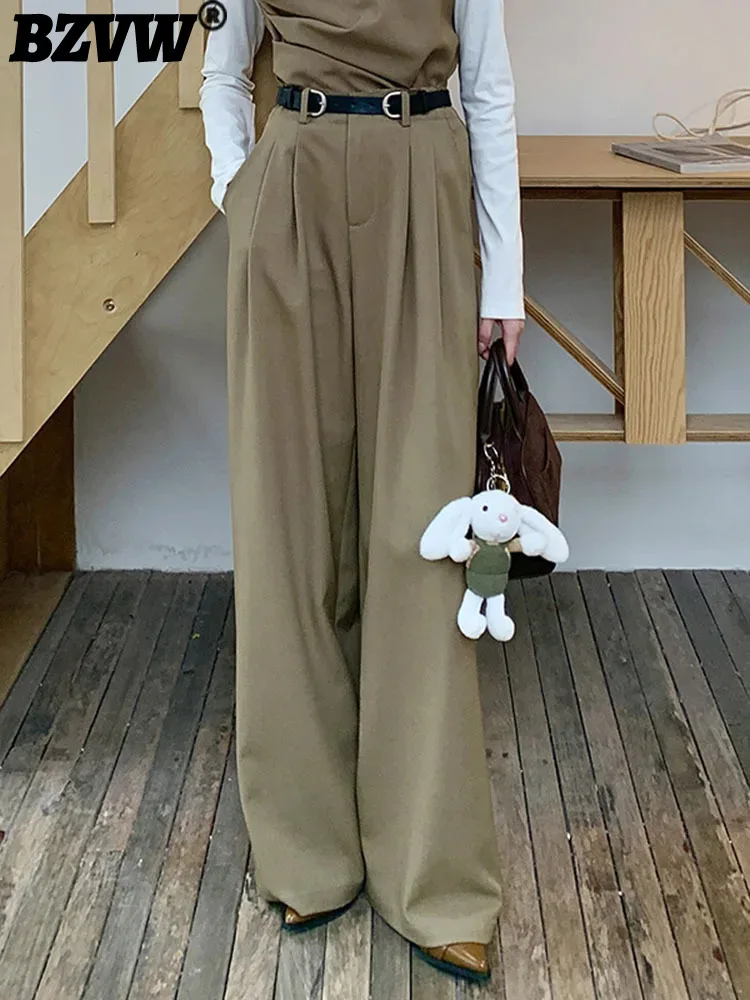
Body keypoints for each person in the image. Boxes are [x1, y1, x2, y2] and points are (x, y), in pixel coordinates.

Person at [199, 0, 525, 983]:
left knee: (423, 528)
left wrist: (503, 278)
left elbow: (488, 85)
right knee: (288, 521)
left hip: (423, 170)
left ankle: (434, 876)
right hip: (292, 184)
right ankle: (305, 848)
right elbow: (222, 67)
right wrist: (238, 188)